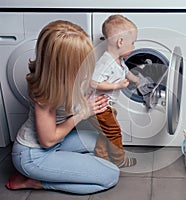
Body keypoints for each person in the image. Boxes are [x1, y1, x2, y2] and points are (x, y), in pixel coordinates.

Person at [5, 20, 120, 195]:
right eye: (81, 61)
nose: (86, 63)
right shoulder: (45, 93)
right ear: (64, 67)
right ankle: (36, 182)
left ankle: (62, 168)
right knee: (111, 175)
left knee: (101, 143)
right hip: (33, 155)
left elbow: (88, 82)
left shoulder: (69, 78)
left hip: (58, 144)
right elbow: (48, 140)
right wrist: (83, 113)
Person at [90, 14, 140, 168]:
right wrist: (116, 86)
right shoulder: (106, 62)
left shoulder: (119, 60)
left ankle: (102, 158)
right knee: (114, 133)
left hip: (106, 107)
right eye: (132, 43)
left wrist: (137, 80)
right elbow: (94, 82)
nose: (134, 47)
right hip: (99, 108)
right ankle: (119, 161)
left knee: (105, 133)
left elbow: (126, 72)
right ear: (120, 42)